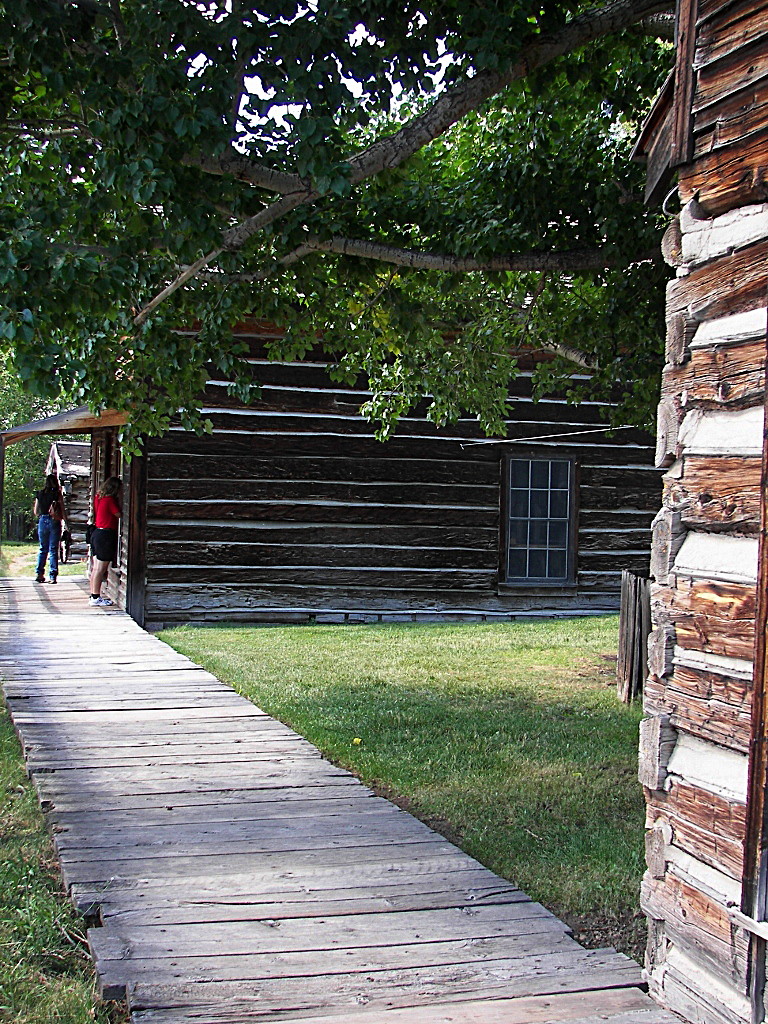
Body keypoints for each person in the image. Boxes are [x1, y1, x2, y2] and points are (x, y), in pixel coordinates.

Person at [89, 476, 122, 607]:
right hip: (106, 535)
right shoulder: (109, 500)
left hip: (97, 533)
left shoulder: (99, 498)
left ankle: (93, 594)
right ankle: (95, 597)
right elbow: (118, 514)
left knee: (96, 567)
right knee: (100, 568)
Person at [33, 473, 65, 584]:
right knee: (53, 549)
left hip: (43, 520)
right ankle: (52, 576)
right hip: (54, 521)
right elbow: (62, 509)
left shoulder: (40, 494)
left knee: (43, 548)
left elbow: (36, 512)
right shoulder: (57, 494)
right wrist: (65, 521)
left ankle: (39, 574)